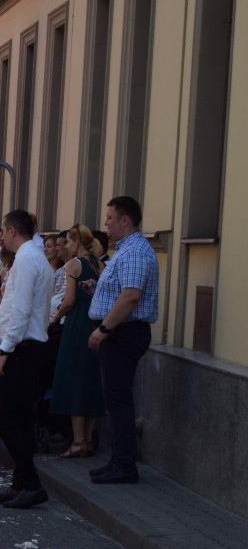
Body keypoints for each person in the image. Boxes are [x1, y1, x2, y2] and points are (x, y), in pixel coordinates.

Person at [87, 196, 159, 484]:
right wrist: (97, 290)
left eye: (110, 217)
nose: (106, 222)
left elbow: (131, 296)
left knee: (118, 400)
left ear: (124, 220)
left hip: (122, 334)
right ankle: (118, 460)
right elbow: (121, 292)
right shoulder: (126, 250)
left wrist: (103, 329)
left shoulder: (134, 252)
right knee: (115, 398)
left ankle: (125, 465)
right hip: (119, 331)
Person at [0, 210, 54, 509]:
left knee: (4, 418)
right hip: (27, 346)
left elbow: (22, 310)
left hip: (22, 348)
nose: (1, 237)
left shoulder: (27, 259)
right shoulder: (35, 256)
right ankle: (20, 484)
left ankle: (33, 484)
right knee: (21, 419)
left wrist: (5, 350)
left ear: (12, 230)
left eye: (3, 230)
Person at [50, 224, 106, 458]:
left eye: (69, 242)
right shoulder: (100, 264)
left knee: (72, 380)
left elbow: (69, 300)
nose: (66, 246)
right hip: (95, 325)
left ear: (76, 243)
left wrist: (54, 319)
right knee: (91, 382)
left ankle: (77, 440)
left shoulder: (72, 265)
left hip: (76, 326)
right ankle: (88, 441)